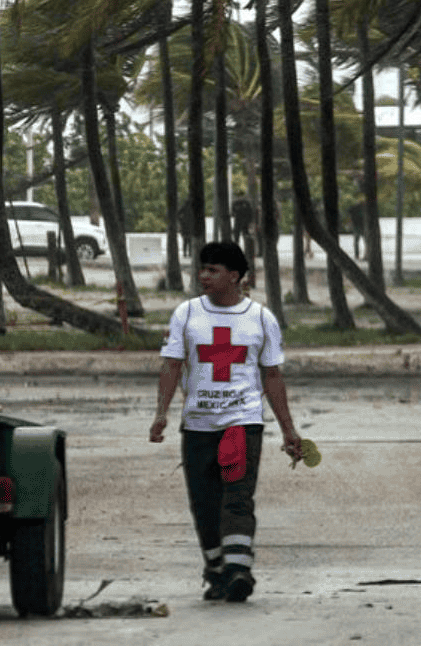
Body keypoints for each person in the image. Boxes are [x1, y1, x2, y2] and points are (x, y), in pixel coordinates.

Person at [149, 240, 303, 602]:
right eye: (202, 269)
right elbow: (171, 365)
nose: (204, 276)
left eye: (213, 270)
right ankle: (216, 571)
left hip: (241, 424)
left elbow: (273, 375)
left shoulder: (261, 319)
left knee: (236, 498)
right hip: (198, 426)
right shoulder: (186, 314)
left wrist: (288, 428)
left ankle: (238, 569)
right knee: (204, 504)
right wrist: (161, 414)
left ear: (235, 276)